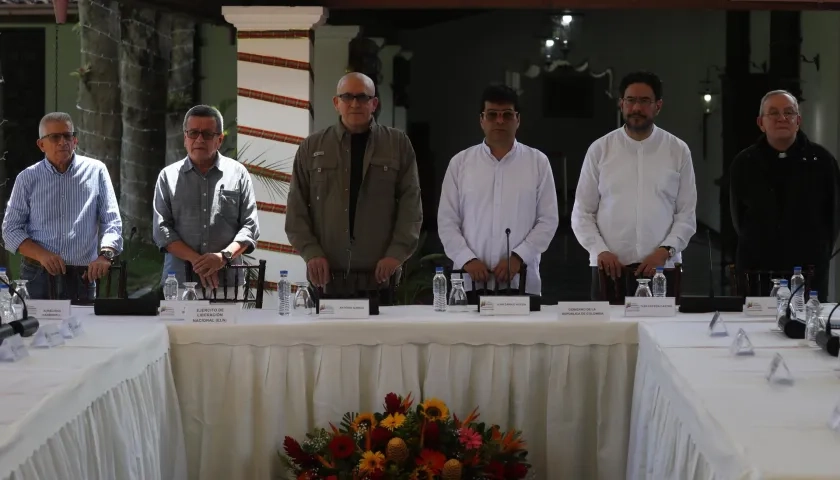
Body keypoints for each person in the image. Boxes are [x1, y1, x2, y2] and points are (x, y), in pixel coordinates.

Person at [285, 72, 422, 298]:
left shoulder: (397, 144)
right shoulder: (312, 147)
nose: (355, 104)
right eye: (347, 97)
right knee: (325, 335)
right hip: (326, 277)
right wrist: (311, 252)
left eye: (363, 97)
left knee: (380, 335)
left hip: (379, 278)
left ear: (374, 103)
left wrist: (396, 254)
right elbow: (296, 209)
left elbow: (411, 205)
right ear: (336, 103)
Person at [572, 71, 697, 300]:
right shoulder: (600, 149)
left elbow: (686, 214)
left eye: (644, 101)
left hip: (662, 267)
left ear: (658, 106)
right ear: (621, 104)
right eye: (630, 100)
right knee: (607, 336)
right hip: (609, 267)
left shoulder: (677, 150)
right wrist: (600, 250)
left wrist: (665, 251)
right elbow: (582, 212)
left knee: (664, 335)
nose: (636, 108)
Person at [437, 84, 558, 296]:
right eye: (492, 115)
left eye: (507, 115)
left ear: (518, 119)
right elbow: (447, 221)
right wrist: (467, 258)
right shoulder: (460, 163)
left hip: (520, 281)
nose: (500, 121)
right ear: (481, 120)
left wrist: (518, 257)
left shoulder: (538, 162)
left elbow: (548, 220)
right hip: (469, 282)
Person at [729, 90, 840, 301]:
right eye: (774, 113)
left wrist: (820, 252)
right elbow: (738, 217)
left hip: (808, 267)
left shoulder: (822, 161)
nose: (782, 118)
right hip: (758, 266)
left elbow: (833, 217)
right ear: (761, 122)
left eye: (789, 112)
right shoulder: (744, 162)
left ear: (798, 121)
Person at [2, 112, 123, 300]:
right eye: (55, 137)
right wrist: (42, 255)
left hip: (82, 275)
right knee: (37, 328)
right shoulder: (27, 178)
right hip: (38, 274)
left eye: (67, 136)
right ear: (41, 145)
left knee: (84, 329)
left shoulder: (96, 171)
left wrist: (105, 255)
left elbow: (112, 221)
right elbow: (10, 229)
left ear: (75, 141)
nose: (62, 142)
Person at [152, 105, 260, 299]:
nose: (199, 139)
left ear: (219, 139)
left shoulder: (238, 174)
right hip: (178, 283)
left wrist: (222, 257)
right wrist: (198, 261)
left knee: (228, 331)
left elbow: (250, 226)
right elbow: (162, 230)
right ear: (185, 138)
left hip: (226, 283)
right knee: (178, 331)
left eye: (207, 134)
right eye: (193, 133)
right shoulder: (167, 177)